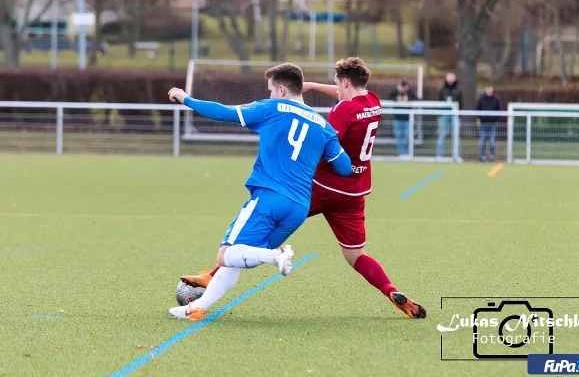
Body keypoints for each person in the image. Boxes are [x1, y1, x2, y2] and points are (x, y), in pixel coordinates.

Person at [182, 57, 426, 319]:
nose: (334, 89)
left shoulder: (340, 112)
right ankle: (390, 290)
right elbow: (347, 96)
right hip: (354, 192)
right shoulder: (373, 102)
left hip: (318, 187)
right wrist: (311, 85)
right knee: (356, 255)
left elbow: (323, 144)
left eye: (336, 84)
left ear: (344, 82)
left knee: (263, 225)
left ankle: (217, 273)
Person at [167, 63, 352, 321]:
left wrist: (186, 98)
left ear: (281, 88)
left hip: (269, 197)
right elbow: (344, 167)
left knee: (226, 253)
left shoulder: (271, 108)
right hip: (299, 207)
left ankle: (276, 255)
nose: (269, 95)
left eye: (270, 90)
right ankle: (195, 308)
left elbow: (223, 113)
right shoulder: (323, 126)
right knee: (239, 258)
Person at [436, 72, 463, 160]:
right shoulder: (442, 90)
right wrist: (440, 113)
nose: (451, 79)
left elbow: (461, 104)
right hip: (444, 115)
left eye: (452, 77)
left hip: (455, 115)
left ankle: (457, 156)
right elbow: (438, 102)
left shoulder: (458, 90)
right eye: (449, 77)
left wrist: (459, 114)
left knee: (456, 136)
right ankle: (439, 155)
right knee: (442, 135)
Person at [388, 80, 419, 156]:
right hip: (397, 118)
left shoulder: (410, 92)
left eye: (404, 87)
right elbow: (388, 98)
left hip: (408, 119)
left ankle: (408, 153)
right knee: (399, 137)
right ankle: (401, 154)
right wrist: (397, 100)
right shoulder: (394, 91)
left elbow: (417, 100)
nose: (403, 89)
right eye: (401, 87)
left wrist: (408, 100)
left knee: (407, 136)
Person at [476, 85, 501, 162]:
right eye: (488, 89)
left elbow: (499, 110)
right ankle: (482, 156)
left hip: (492, 124)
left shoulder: (496, 99)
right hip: (483, 124)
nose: (489, 91)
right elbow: (477, 109)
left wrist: (494, 119)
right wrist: (482, 118)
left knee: (492, 142)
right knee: (482, 141)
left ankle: (491, 156)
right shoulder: (481, 99)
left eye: (490, 89)